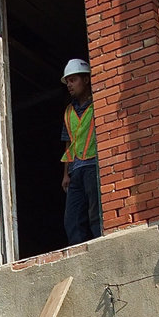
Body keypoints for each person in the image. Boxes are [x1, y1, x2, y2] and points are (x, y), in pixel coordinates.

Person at [60, 58, 101, 244]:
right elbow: (68, 142)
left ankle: (100, 244)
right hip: (75, 170)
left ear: (86, 80)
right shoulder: (69, 111)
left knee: (95, 213)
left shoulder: (97, 105)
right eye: (67, 81)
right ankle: (77, 249)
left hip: (93, 165)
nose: (69, 84)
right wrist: (65, 174)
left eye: (73, 79)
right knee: (73, 218)